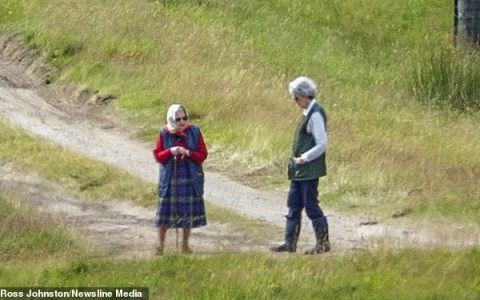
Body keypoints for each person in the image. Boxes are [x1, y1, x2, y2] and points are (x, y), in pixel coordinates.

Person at [270, 76, 330, 255]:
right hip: (300, 170)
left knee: (310, 205)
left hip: (308, 169)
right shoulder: (308, 113)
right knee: (294, 205)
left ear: (305, 95)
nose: (295, 101)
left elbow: (322, 144)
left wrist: (305, 157)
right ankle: (290, 242)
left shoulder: (316, 113)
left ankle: (323, 242)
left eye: (296, 98)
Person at [153, 104, 208, 255]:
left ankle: (185, 245)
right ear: (171, 119)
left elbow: (202, 155)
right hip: (170, 178)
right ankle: (160, 246)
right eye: (178, 119)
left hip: (190, 176)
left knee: (187, 213)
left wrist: (188, 153)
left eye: (184, 118)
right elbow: (158, 156)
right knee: (164, 214)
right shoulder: (164, 133)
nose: (182, 122)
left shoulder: (194, 132)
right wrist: (171, 151)